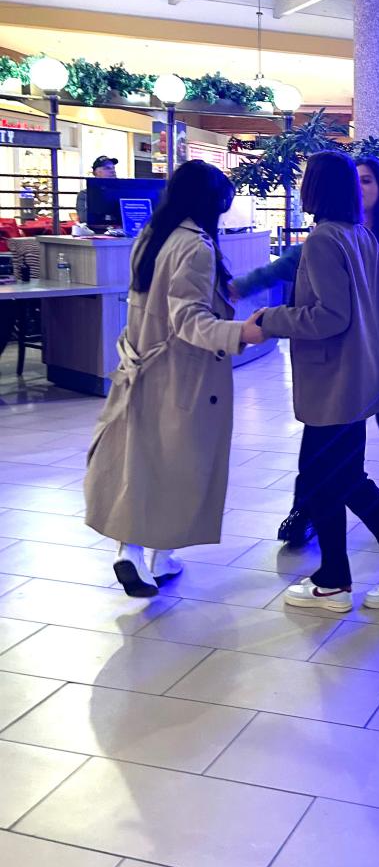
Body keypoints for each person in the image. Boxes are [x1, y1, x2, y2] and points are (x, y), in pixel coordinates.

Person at [232, 155, 379, 540]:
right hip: (344, 361)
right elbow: (281, 267)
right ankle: (306, 510)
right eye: (356, 180)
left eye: (367, 180)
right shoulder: (334, 235)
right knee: (323, 443)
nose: (360, 186)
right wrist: (238, 287)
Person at [254, 150, 379, 613]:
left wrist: (270, 319)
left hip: (333, 382)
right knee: (323, 478)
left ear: (315, 188)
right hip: (354, 381)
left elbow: (330, 317)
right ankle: (333, 577)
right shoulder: (360, 236)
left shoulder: (323, 241)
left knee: (342, 478)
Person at [84, 161, 264, 598]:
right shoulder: (196, 247)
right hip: (183, 376)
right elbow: (188, 320)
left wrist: (223, 289)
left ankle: (137, 553)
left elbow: (161, 301)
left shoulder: (152, 235)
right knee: (183, 467)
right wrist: (241, 333)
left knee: (143, 463)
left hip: (140, 364)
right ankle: (156, 556)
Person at [75, 154, 118, 224]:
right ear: (96, 172)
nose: (113, 171)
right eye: (107, 168)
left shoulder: (121, 192)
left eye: (113, 168)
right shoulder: (85, 194)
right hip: (96, 231)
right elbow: (84, 218)